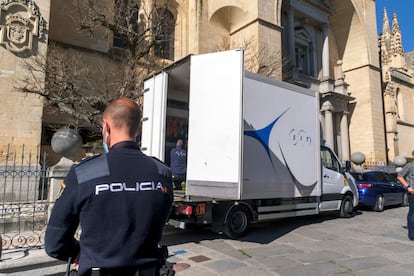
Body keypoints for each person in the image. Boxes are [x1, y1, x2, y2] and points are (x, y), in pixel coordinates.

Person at [45, 98, 174, 275]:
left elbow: (54, 243)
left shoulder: (83, 173)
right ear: (139, 128)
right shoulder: (162, 173)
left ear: (106, 127)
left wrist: (78, 253)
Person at [397, 150, 414, 241]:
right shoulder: (410, 165)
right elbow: (400, 176)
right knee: (413, 213)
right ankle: (412, 234)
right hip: (413, 193)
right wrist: (408, 187)